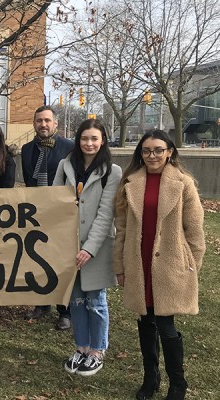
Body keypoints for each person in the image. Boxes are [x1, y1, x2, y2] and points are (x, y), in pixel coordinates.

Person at [114, 130, 205, 400]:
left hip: (170, 264)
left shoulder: (183, 183)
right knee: (145, 322)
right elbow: (121, 228)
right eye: (146, 150)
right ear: (139, 153)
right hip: (138, 261)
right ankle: (150, 378)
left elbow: (195, 231)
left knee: (165, 324)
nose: (151, 155)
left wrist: (191, 266)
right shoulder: (130, 182)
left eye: (157, 150)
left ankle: (178, 383)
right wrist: (119, 266)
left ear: (169, 152)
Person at [53, 119, 121, 377]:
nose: (89, 143)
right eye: (85, 138)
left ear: (102, 140)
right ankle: (81, 347)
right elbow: (55, 201)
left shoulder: (112, 171)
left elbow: (106, 214)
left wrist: (89, 249)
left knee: (96, 300)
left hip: (97, 247)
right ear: (77, 140)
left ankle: (97, 351)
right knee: (76, 300)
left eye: (94, 138)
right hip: (69, 245)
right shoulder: (65, 165)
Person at [21, 105, 74, 329]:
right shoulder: (26, 149)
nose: (43, 124)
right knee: (38, 258)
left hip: (61, 215)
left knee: (61, 262)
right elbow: (28, 182)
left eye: (47, 120)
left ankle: (66, 310)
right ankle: (43, 304)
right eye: (38, 121)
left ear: (55, 124)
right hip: (37, 213)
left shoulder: (69, 148)